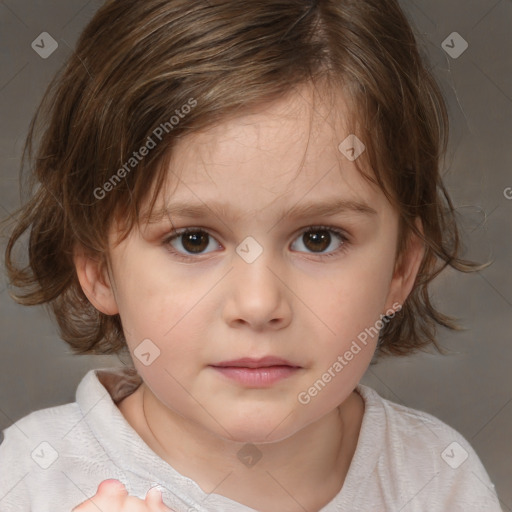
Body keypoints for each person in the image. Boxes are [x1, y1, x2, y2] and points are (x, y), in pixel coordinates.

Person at [0, 0, 503, 510]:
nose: (259, 304)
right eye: (193, 240)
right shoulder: (32, 478)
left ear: (400, 268)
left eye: (318, 239)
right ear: (97, 266)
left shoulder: (438, 479)